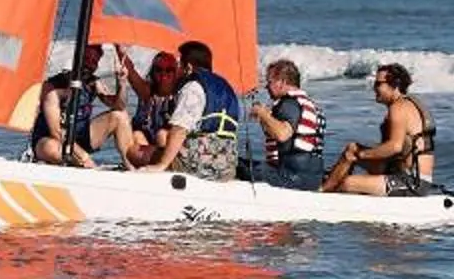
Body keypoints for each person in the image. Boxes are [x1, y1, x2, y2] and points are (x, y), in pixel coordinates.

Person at [321, 63, 436, 195]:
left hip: (412, 182)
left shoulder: (398, 108)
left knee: (348, 182)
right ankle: (326, 189)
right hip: (402, 172)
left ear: (395, 85)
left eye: (378, 84)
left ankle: (323, 195)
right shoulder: (408, 103)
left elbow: (394, 147)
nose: (374, 88)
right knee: (352, 150)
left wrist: (362, 154)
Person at [141, 39, 242, 181]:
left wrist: (161, 165)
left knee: (135, 152)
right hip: (227, 168)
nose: (178, 70)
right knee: (163, 137)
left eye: (179, 65)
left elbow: (179, 130)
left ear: (188, 67)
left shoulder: (193, 87)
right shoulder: (226, 87)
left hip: (198, 166)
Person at [86, 48, 185, 166]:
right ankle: (137, 171)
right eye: (159, 70)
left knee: (162, 135)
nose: (163, 74)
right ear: (153, 72)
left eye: (169, 70)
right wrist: (119, 48)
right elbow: (130, 70)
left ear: (177, 73)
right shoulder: (146, 92)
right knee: (137, 136)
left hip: (168, 149)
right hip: (145, 149)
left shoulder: (182, 94)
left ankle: (167, 167)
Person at [244, 57, 327, 188]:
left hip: (291, 177)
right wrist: (265, 119)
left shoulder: (288, 103)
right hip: (313, 178)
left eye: (269, 82)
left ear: (281, 82)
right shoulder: (310, 105)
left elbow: (282, 134)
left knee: (238, 165)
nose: (266, 86)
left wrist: (262, 113)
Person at [28, 68, 94, 164]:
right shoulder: (51, 89)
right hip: (49, 140)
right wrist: (84, 157)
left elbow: (118, 105)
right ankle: (80, 164)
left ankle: (124, 169)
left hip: (78, 138)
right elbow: (56, 132)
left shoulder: (92, 83)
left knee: (117, 117)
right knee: (52, 148)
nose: (93, 64)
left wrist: (121, 83)